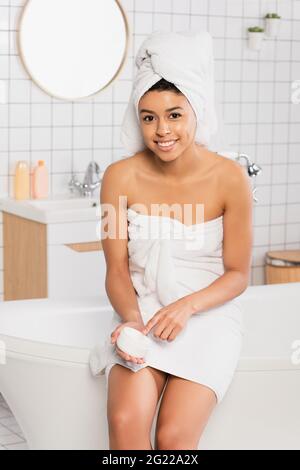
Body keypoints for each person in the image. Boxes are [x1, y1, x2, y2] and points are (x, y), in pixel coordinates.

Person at [91, 32, 253, 450]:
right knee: (126, 422)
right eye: (148, 117)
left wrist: (186, 307)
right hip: (142, 309)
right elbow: (116, 269)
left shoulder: (229, 178)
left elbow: (238, 275)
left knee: (174, 437)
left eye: (175, 115)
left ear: (196, 110)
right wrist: (130, 317)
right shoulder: (119, 177)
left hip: (207, 312)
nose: (162, 131)